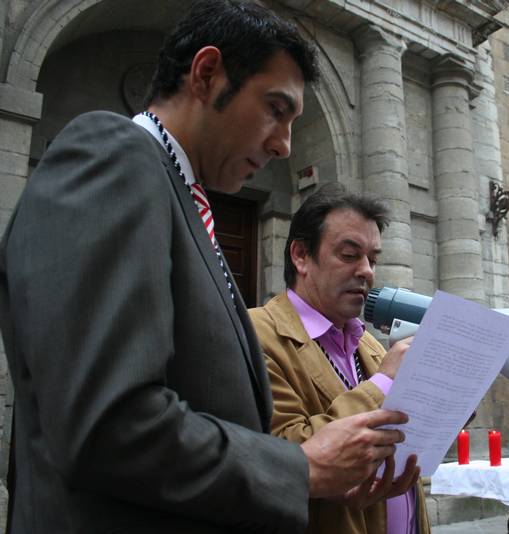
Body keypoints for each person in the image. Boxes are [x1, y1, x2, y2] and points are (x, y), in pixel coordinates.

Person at [0, 2, 410, 532]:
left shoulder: (184, 201)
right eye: (275, 109)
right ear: (207, 73)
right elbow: (110, 424)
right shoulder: (112, 154)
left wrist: (323, 479)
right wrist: (300, 469)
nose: (284, 145)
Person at [248, 186, 430, 534]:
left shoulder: (369, 344)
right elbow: (287, 456)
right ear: (301, 256)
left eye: (373, 260)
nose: (367, 272)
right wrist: (383, 384)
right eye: (349, 255)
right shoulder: (255, 333)